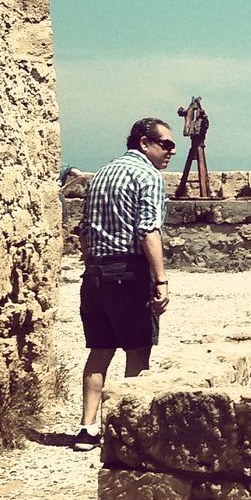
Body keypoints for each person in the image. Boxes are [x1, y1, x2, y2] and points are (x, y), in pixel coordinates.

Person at [73, 117, 176, 451]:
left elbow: (83, 230)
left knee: (100, 351)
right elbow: (148, 230)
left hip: (95, 274)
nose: (171, 151)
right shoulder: (148, 175)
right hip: (129, 272)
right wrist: (159, 279)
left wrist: (92, 266)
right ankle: (126, 431)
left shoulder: (102, 174)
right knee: (137, 350)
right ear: (144, 143)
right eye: (166, 144)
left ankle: (87, 429)